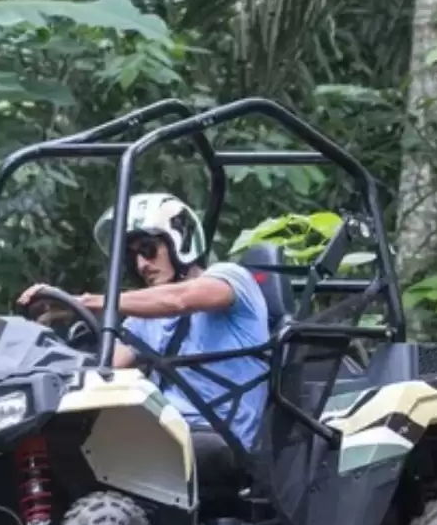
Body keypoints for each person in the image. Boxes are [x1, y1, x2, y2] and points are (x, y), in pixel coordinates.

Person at [18, 192, 270, 450]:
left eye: (148, 250)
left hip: (217, 436)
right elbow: (104, 370)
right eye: (133, 257)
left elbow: (180, 300)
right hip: (163, 426)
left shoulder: (231, 278)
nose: (141, 265)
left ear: (178, 241)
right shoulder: (144, 320)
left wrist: (88, 301)